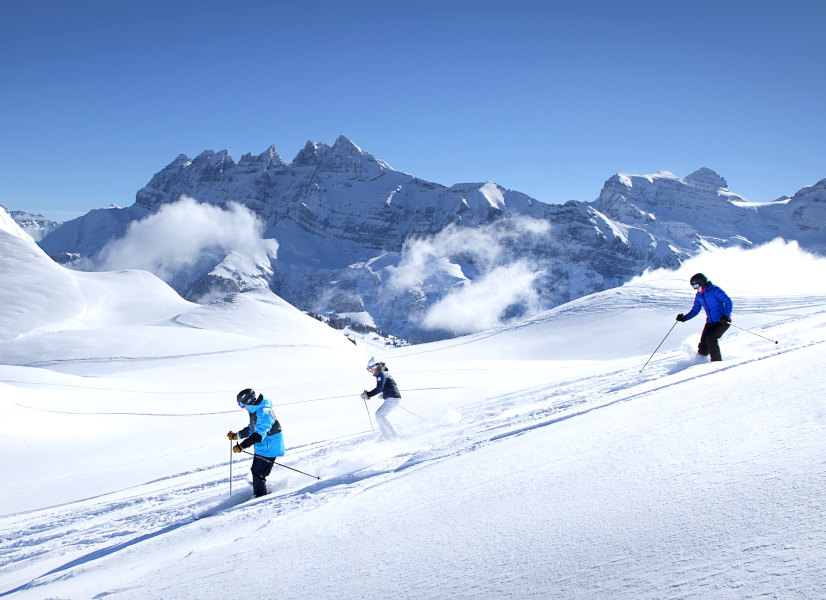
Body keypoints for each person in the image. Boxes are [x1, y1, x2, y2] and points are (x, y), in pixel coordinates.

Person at [227, 388, 285, 497]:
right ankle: (258, 487)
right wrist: (237, 435)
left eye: (241, 404)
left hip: (270, 447)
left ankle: (260, 496)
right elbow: (251, 429)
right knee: (256, 471)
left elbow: (258, 436)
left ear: (248, 401)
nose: (241, 407)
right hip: (264, 446)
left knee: (258, 473)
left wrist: (241, 446)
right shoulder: (256, 410)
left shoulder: (263, 412)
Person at [676, 273, 733, 362]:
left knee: (711, 339)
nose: (695, 288)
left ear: (702, 283)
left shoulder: (715, 290)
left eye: (696, 286)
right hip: (710, 323)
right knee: (703, 347)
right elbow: (695, 310)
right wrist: (684, 318)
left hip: (722, 322)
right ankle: (701, 362)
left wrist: (726, 316)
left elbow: (728, 302)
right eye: (693, 286)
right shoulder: (699, 296)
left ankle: (717, 363)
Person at [362, 357, 401, 437]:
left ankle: (393, 434)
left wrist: (368, 394)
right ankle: (386, 434)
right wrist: (385, 395)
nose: (370, 372)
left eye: (369, 369)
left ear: (373, 367)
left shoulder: (381, 374)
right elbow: (389, 386)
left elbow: (380, 388)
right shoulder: (382, 373)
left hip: (393, 398)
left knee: (380, 415)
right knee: (378, 415)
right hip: (392, 397)